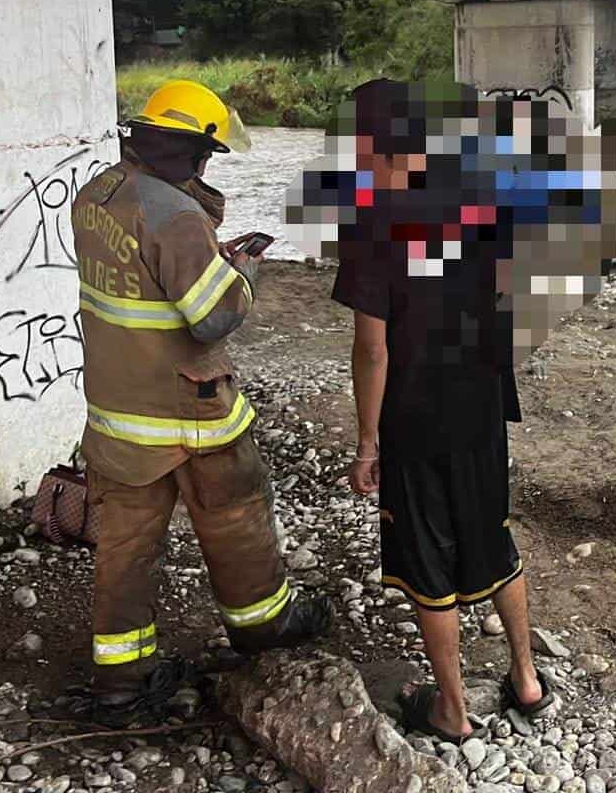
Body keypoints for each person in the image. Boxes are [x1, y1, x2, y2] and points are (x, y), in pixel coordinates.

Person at [72, 79, 330, 717]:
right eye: (207, 154)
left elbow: (140, 277)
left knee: (126, 547)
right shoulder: (177, 215)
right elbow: (211, 317)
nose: (209, 165)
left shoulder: (99, 193)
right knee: (236, 511)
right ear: (192, 151)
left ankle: (121, 683)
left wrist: (202, 253)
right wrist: (241, 273)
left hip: (116, 409)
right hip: (187, 410)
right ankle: (262, 624)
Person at [331, 79, 555, 743]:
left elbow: (373, 349)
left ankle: (452, 710)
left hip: (416, 419)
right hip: (482, 405)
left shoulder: (371, 224)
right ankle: (526, 679)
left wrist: (367, 443)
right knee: (492, 536)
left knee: (428, 560)